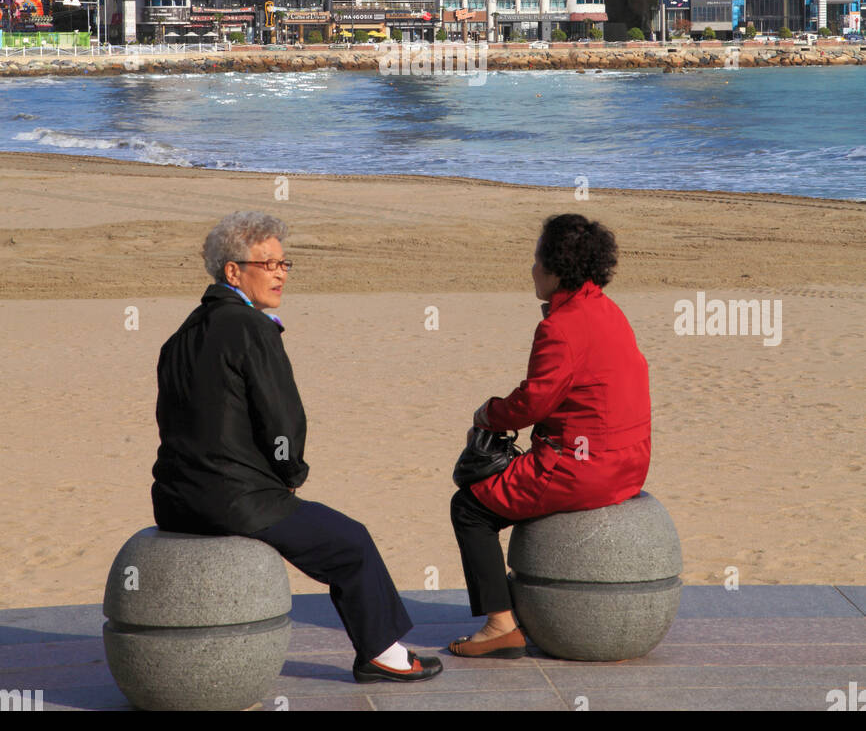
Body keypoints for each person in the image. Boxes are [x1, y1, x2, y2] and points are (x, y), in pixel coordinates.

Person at [151, 211, 442, 685]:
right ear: (233, 271)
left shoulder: (179, 336)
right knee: (352, 542)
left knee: (333, 534)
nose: (281, 273)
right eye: (269, 264)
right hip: (234, 500)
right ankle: (382, 655)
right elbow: (283, 422)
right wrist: (289, 476)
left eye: (286, 263)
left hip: (173, 500)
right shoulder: (251, 327)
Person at [449, 213, 651, 658]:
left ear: (557, 269)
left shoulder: (559, 327)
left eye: (537, 260)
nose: (532, 269)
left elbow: (534, 402)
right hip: (631, 464)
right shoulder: (607, 309)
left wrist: (488, 414)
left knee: (469, 508)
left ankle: (500, 626)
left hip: (583, 470)